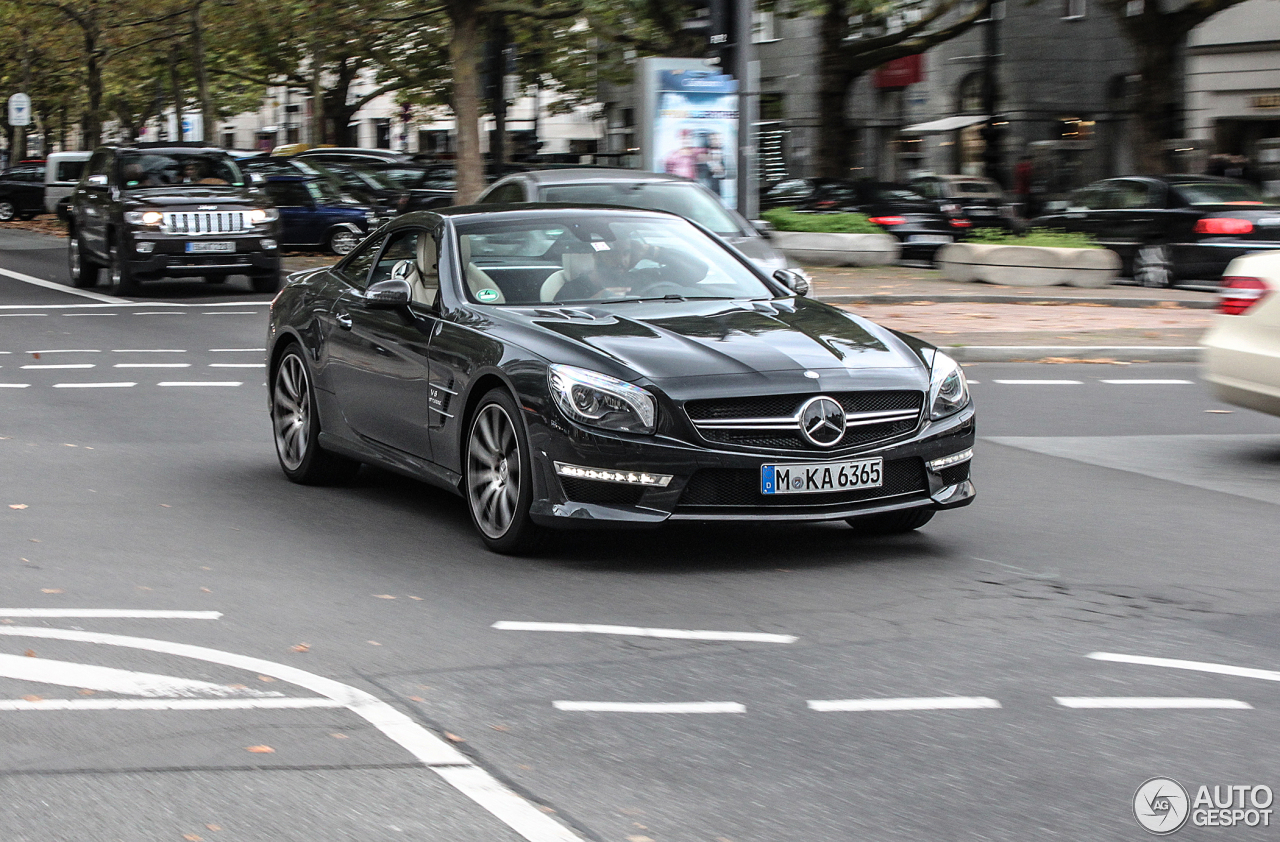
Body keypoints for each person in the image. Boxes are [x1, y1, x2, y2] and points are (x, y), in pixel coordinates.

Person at [553, 236, 708, 302]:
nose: (621, 260)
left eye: (626, 253)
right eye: (613, 253)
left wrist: (652, 251)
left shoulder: (645, 277)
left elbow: (698, 271)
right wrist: (597, 300)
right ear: (597, 256)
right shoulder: (574, 289)